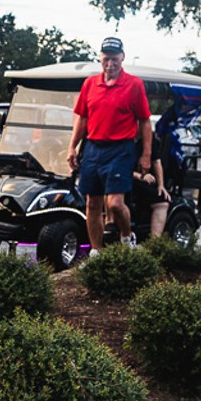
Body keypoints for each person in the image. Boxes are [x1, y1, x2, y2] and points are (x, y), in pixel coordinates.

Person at [67, 38, 153, 253]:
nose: (110, 64)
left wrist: (146, 155)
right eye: (106, 59)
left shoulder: (134, 85)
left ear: (122, 57)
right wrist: (72, 147)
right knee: (92, 203)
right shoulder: (90, 83)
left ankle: (126, 238)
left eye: (114, 59)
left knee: (114, 203)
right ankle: (96, 251)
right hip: (93, 148)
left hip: (121, 149)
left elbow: (144, 121)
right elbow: (82, 118)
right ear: (100, 58)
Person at [133, 133, 171, 239]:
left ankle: (155, 241)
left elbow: (156, 161)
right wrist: (139, 176)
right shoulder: (123, 135)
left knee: (162, 201)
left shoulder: (148, 138)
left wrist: (161, 185)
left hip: (141, 179)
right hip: (122, 177)